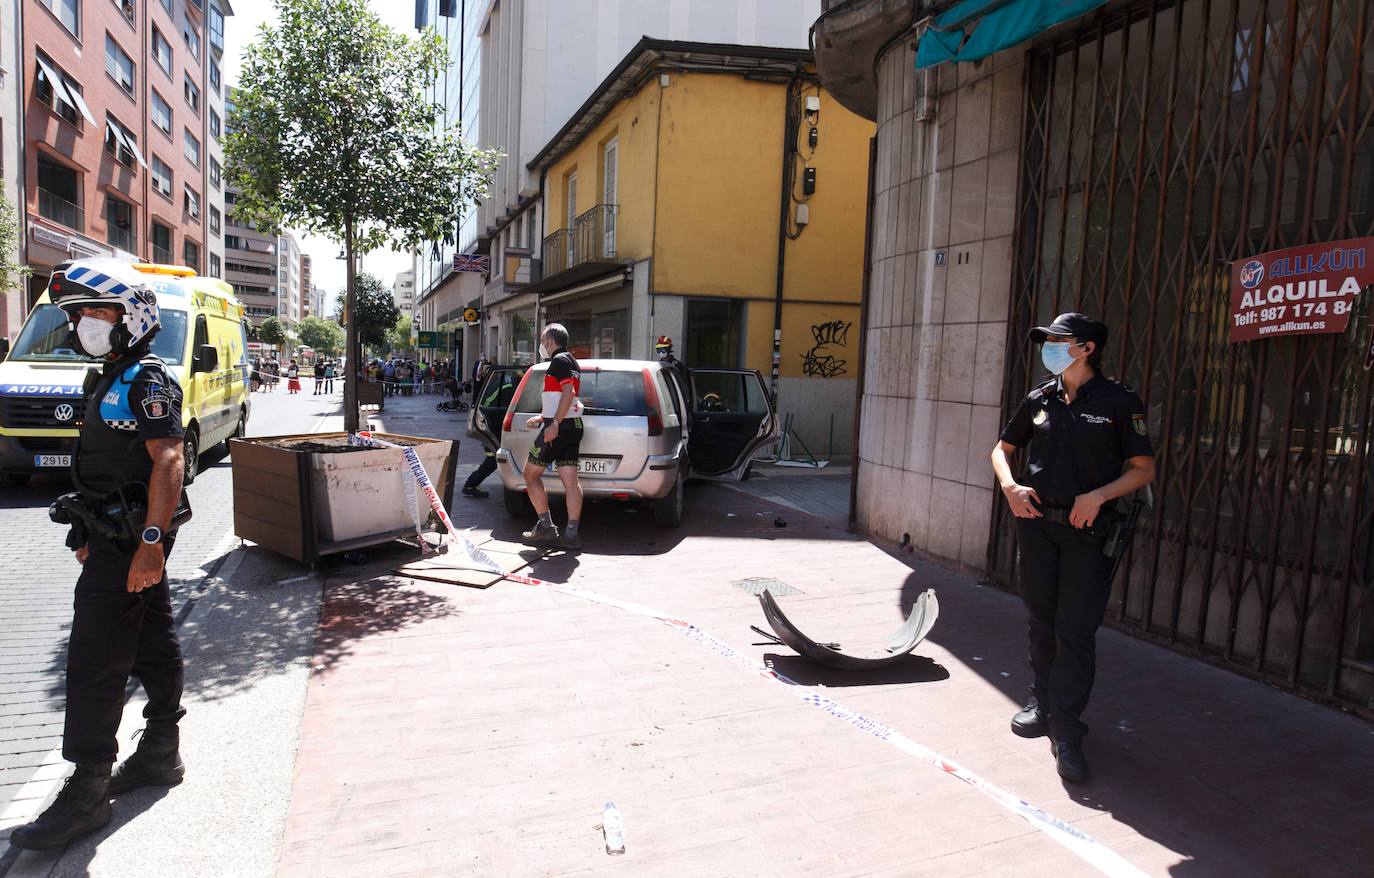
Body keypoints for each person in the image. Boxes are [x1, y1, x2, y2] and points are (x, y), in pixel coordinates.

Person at [9, 259, 190, 851]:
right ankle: (161, 752)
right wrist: (85, 528)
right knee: (152, 643)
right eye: (80, 314)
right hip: (110, 538)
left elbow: (168, 460)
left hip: (132, 545)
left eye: (98, 312)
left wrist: (151, 547)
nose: (86, 323)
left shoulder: (146, 380)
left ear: (132, 318)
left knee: (94, 663)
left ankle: (87, 792)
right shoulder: (108, 378)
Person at [989, 312, 1155, 784]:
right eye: (1048, 341)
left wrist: (1100, 495)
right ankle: (1041, 701)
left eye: (1058, 341)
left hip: (1089, 530)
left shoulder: (1119, 402)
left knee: (1075, 629)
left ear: (1086, 348)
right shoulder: (1040, 398)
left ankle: (1068, 731)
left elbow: (1144, 468)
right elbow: (1002, 450)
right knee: (1041, 618)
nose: (1049, 348)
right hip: (1037, 524)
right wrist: (1011, 488)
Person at [521, 325, 584, 550]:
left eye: (542, 340)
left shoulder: (559, 361)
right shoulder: (573, 362)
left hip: (559, 428)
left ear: (549, 340)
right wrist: (543, 417)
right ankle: (571, 535)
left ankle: (546, 528)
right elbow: (564, 398)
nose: (541, 345)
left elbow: (569, 394)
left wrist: (553, 423)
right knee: (570, 481)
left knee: (530, 474)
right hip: (573, 426)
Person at [462, 358, 500, 498]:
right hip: (491, 429)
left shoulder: (491, 384)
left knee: (492, 460)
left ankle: (471, 484)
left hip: (489, 429)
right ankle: (470, 485)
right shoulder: (498, 386)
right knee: (492, 460)